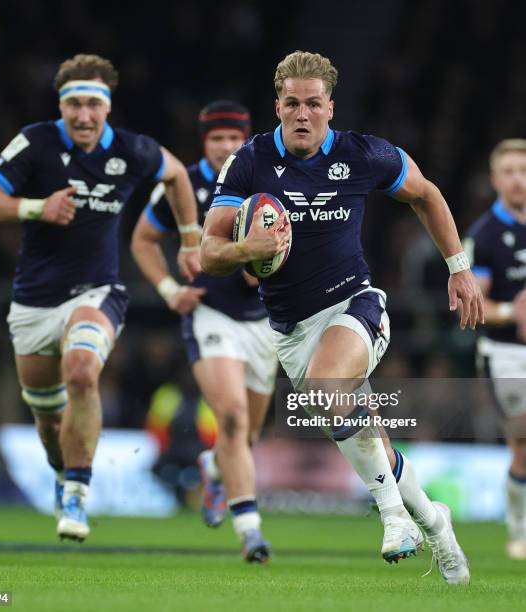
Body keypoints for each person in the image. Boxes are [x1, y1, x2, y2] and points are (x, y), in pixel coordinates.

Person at [200, 50, 484, 583]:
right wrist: (248, 249)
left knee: (331, 390)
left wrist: (458, 268)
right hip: (291, 328)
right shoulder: (249, 161)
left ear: (330, 107)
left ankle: (393, 518)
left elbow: (426, 194)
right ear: (277, 106)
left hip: (356, 304)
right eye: (291, 104)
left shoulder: (363, 155)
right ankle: (433, 520)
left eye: (312, 103)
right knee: (351, 424)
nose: (302, 114)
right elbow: (208, 253)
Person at [0, 54, 201, 542]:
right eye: (74, 104)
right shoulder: (36, 142)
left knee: (82, 369)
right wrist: (35, 206)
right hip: (33, 303)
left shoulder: (133, 150)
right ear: (61, 106)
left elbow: (177, 176)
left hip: (97, 292)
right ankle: (62, 470)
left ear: (107, 107)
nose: (84, 115)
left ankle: (76, 490)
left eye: (94, 103)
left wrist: (191, 239)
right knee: (49, 425)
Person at [132, 101, 278, 563]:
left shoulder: (267, 178)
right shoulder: (186, 185)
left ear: (247, 140)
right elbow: (142, 239)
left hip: (265, 321)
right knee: (231, 417)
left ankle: (215, 467)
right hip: (210, 314)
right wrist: (169, 289)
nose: (226, 147)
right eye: (217, 139)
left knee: (248, 435)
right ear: (204, 143)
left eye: (234, 138)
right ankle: (251, 532)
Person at [465, 139, 526, 560]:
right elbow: (475, 306)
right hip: (506, 352)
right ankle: (519, 530)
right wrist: (513, 309)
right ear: (494, 179)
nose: (517, 179)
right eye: (508, 171)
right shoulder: (483, 235)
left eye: (523, 170)